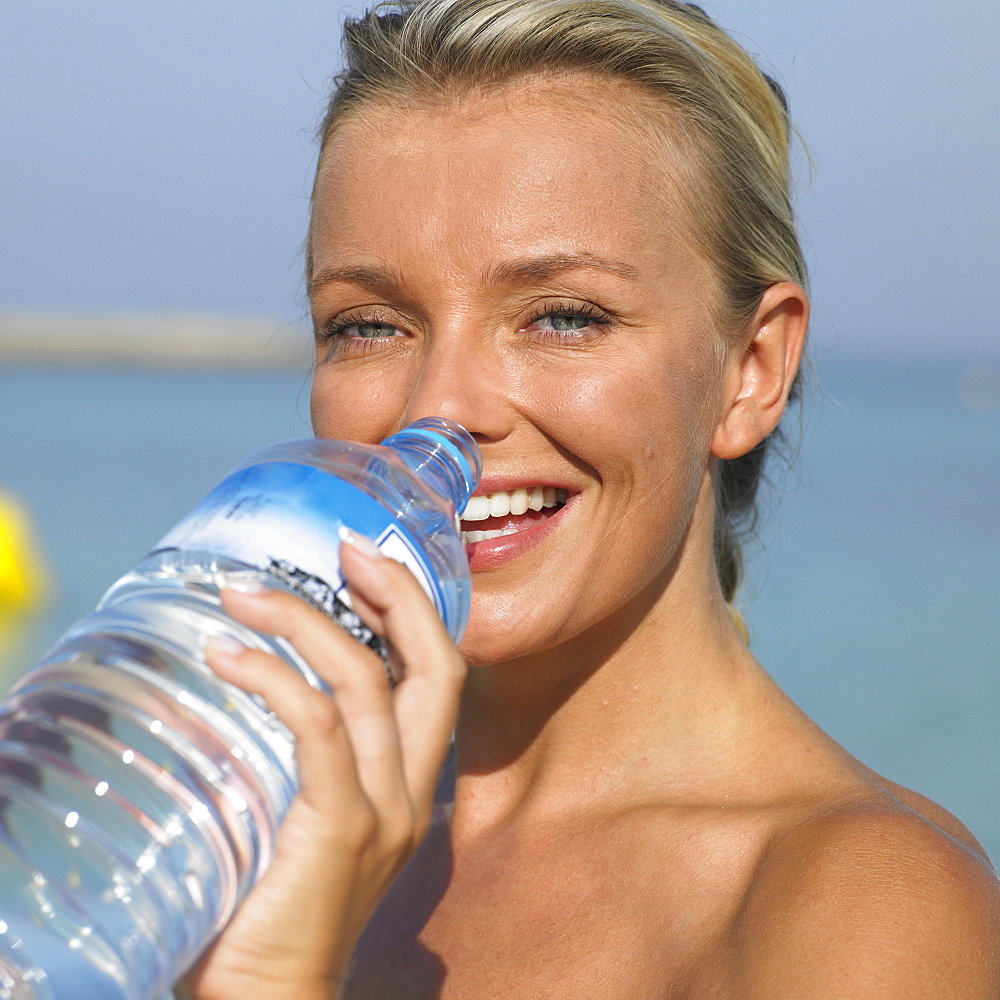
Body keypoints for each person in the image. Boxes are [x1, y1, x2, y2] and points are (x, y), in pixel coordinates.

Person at [179, 1, 1000, 996]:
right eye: (369, 326)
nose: (439, 409)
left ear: (751, 367)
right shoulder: (255, 827)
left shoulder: (857, 910)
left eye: (562, 316)